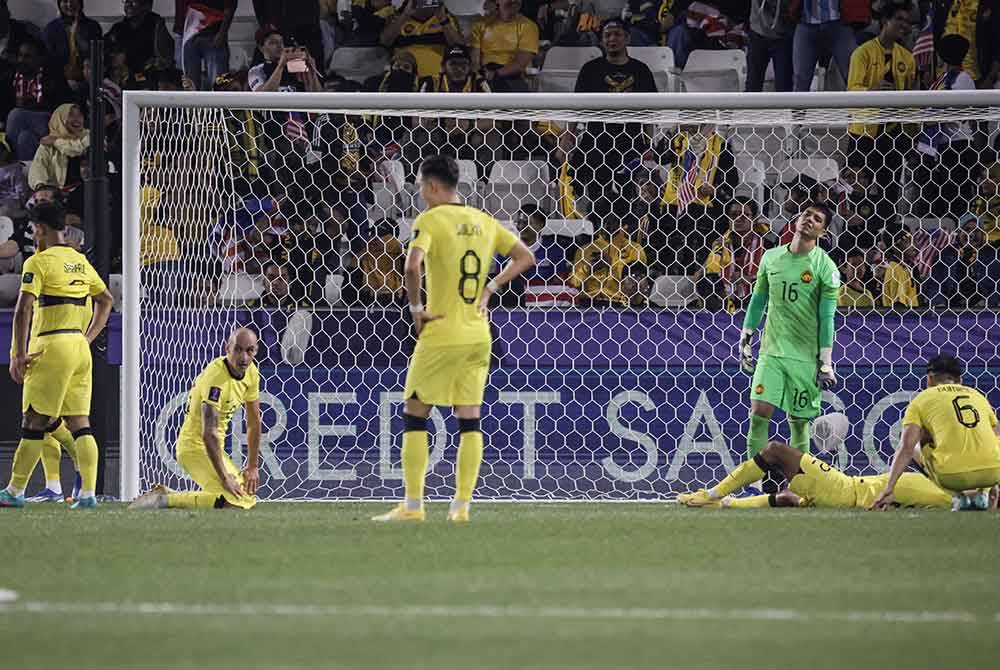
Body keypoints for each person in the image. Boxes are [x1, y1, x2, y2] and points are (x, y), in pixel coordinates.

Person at [372, 155, 535, 522]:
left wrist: (415, 309)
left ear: (430, 185)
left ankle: (413, 506)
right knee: (470, 418)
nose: (418, 190)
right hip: (479, 333)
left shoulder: (430, 219)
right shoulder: (484, 220)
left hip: (441, 329)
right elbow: (525, 256)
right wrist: (491, 286)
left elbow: (412, 266)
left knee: (415, 413)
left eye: (418, 184)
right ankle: (460, 507)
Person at [0, 201, 113, 509]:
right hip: (78, 348)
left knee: (34, 420)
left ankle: (14, 491)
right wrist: (87, 337)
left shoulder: (38, 262)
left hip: (50, 346)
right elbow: (106, 300)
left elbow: (23, 308)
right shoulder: (79, 261)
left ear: (40, 228)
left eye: (34, 230)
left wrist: (16, 354)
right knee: (80, 423)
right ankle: (88, 495)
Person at [737, 202, 840, 492]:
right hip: (771, 352)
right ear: (797, 218)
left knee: (799, 424)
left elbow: (826, 317)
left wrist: (825, 362)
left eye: (818, 219)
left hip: (805, 358)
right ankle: (754, 484)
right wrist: (745, 339)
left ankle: (797, 485)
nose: (810, 220)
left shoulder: (825, 267)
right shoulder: (770, 258)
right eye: (808, 214)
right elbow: (758, 300)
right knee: (758, 414)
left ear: (822, 230)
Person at [130, 328, 262, 510]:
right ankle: (165, 499)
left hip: (215, 449)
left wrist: (253, 466)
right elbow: (209, 433)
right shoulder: (216, 378)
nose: (244, 357)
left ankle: (170, 494)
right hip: (194, 448)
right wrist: (224, 477)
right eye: (238, 349)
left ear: (256, 350)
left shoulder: (252, 373)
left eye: (249, 351)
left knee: (246, 497)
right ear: (227, 348)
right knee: (234, 502)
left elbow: (254, 422)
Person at [677, 435, 953, 510]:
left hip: (846, 492)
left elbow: (914, 446)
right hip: (849, 491)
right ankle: (724, 504)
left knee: (775, 451)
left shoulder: (942, 496)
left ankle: (710, 494)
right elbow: (916, 448)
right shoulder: (938, 485)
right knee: (788, 498)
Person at [872, 353, 1000, 510]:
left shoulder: (922, 399)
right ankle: (983, 493)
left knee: (915, 440)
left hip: (952, 477)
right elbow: (996, 437)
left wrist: (889, 488)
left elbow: (906, 447)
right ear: (960, 380)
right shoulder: (978, 396)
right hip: (993, 473)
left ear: (929, 379)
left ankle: (959, 497)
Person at [2, 38, 71, 161]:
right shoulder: (10, 77)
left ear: (40, 59)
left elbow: (65, 106)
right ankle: (26, 174)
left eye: (27, 56)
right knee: (25, 138)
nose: (21, 60)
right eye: (20, 56)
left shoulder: (52, 76)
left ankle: (8, 161)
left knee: (16, 115)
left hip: (48, 123)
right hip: (23, 129)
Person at [379, 0, 465, 79]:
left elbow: (459, 48)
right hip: (403, 74)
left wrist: (443, 20)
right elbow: (385, 41)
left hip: (435, 78)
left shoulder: (447, 19)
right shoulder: (396, 16)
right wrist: (405, 15)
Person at [469, 0, 539, 91]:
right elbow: (475, 62)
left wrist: (495, 74)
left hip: (511, 76)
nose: (514, 1)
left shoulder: (529, 26)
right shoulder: (480, 24)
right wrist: (480, 78)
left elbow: (520, 64)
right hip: (484, 74)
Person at [104, 0, 174, 81]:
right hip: (124, 78)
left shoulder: (156, 26)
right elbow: (105, 50)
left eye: (133, 1)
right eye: (126, 1)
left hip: (149, 78)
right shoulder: (118, 28)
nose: (128, 5)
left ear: (147, 6)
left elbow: (163, 62)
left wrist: (135, 75)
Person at [175, 0, 236, 91]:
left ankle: (219, 104)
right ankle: (190, 104)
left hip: (214, 30)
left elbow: (231, 5)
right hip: (186, 30)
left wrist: (222, 32)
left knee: (220, 83)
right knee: (188, 83)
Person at [42, 0, 104, 90]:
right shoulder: (51, 29)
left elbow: (97, 57)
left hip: (89, 83)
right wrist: (64, 81)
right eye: (65, 1)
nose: (69, 4)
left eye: (73, 0)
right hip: (59, 84)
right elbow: (49, 62)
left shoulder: (93, 27)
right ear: (59, 4)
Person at [27, 103, 88, 191]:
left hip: (87, 190)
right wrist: (41, 186)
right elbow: (38, 167)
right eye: (71, 115)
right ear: (60, 119)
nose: (77, 119)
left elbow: (77, 150)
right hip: (58, 192)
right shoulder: (47, 145)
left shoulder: (89, 136)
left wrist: (56, 142)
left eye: (79, 115)